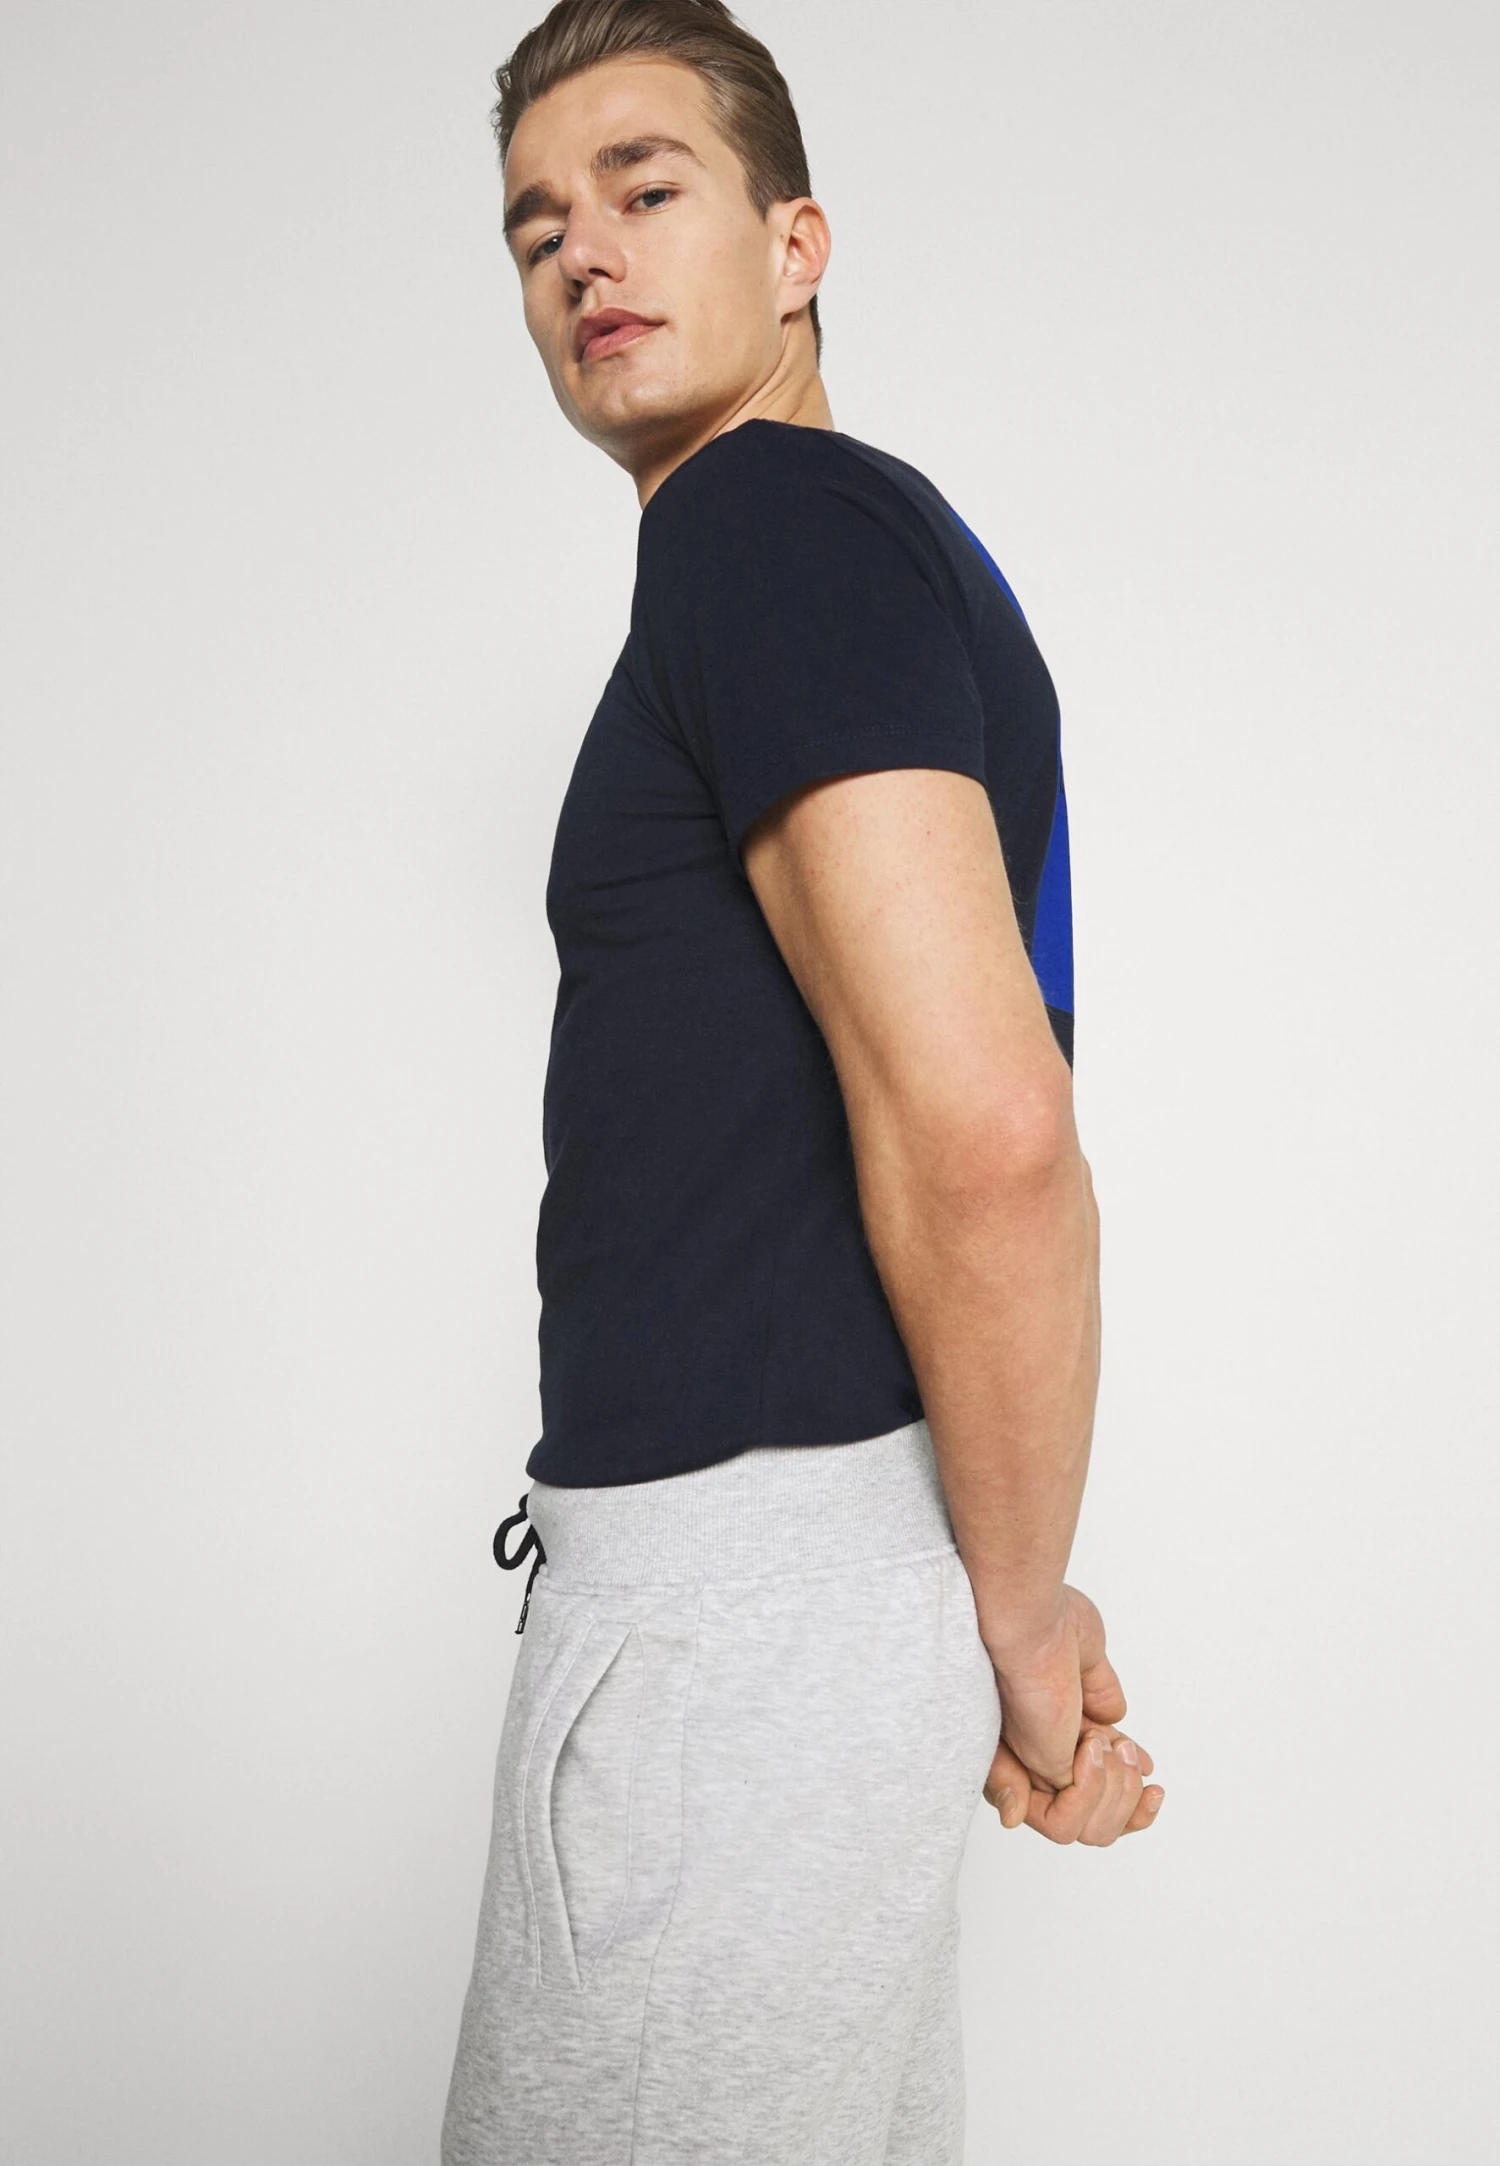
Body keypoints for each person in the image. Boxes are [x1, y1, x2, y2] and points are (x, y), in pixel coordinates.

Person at [442, 4, 1164, 2160]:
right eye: (537, 230)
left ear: (798, 244)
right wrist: (996, 1594)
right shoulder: (879, 546)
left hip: (730, 1633)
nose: (584, 254)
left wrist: (1016, 1617)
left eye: (646, 188)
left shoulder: (762, 523)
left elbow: (990, 1132)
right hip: (827, 1596)